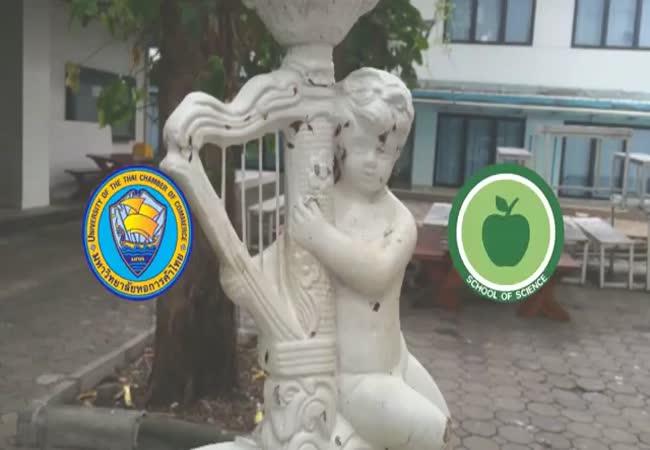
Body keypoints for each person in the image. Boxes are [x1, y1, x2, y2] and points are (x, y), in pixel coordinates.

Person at [291, 67, 451, 450]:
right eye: (362, 146)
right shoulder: (322, 207)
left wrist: (320, 236)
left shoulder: (399, 219)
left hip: (396, 358)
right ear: (339, 142)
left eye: (385, 151)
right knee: (430, 432)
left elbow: (376, 275)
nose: (372, 161)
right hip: (353, 376)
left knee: (444, 422)